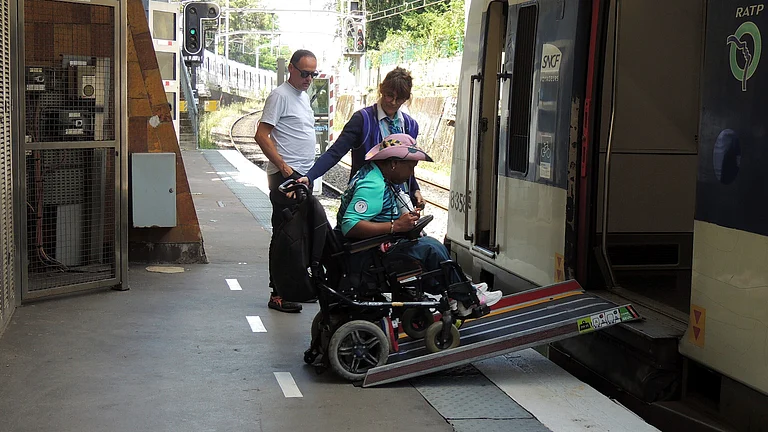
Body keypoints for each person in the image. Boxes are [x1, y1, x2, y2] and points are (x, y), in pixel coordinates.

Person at [336, 133, 502, 316]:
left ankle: (459, 292)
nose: (411, 174)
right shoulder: (373, 185)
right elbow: (349, 225)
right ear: (394, 163)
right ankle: (467, 298)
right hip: (368, 256)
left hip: (373, 249)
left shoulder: (378, 174)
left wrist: (404, 221)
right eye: (411, 167)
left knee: (428, 244)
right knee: (431, 248)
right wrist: (395, 226)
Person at [299, 67, 424, 208]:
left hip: (400, 200)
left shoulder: (410, 125)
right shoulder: (362, 120)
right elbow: (336, 152)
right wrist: (310, 177)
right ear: (381, 89)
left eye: (399, 98)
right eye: (389, 95)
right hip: (367, 198)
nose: (393, 102)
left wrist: (415, 189)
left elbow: (407, 165)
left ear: (406, 98)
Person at [255, 49, 320, 313]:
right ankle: (277, 294)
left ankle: (295, 287)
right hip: (287, 179)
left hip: (302, 177)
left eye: (313, 74)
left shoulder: (303, 97)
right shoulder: (280, 96)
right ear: (291, 69)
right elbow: (261, 134)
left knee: (300, 236)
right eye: (304, 73)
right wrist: (284, 168)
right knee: (284, 236)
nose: (309, 79)